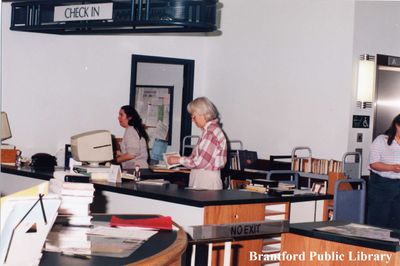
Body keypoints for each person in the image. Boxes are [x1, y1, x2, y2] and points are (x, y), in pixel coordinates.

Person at [167, 97, 227, 190]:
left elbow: (201, 162)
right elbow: (194, 157)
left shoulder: (211, 132)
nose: (192, 120)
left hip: (207, 180)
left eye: (194, 116)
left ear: (204, 114)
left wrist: (178, 160)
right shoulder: (207, 131)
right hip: (202, 178)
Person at [367, 114, 400, 228]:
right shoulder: (381, 140)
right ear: (397, 125)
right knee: (378, 223)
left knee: (396, 224)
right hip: (382, 185)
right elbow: (373, 163)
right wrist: (392, 168)